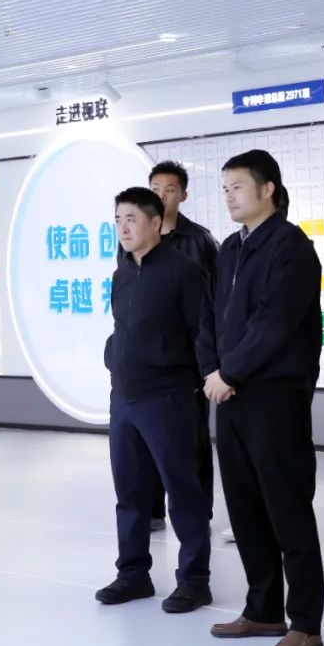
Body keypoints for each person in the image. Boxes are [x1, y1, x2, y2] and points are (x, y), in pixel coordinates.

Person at [196, 150, 324, 646]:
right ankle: (264, 609)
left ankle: (307, 622)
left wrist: (230, 372)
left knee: (287, 508)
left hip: (274, 395)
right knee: (245, 507)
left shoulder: (292, 247)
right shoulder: (230, 249)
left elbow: (275, 323)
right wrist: (213, 370)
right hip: (228, 395)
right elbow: (209, 318)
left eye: (237, 187)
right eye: (225, 188)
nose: (229, 196)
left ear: (268, 189)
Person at [97, 187, 213, 613]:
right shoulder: (122, 272)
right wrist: (113, 359)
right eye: (118, 220)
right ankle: (133, 575)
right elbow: (121, 327)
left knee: (182, 490)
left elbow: (203, 332)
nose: (123, 228)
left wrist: (195, 381)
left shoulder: (184, 271)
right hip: (124, 397)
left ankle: (194, 581)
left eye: (131, 219)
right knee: (130, 492)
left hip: (168, 397)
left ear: (155, 222)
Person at [143, 160, 219, 533]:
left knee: (193, 437)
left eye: (169, 189)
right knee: (148, 435)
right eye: (155, 188)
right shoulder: (139, 238)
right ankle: (152, 511)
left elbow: (216, 299)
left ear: (183, 195)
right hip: (149, 359)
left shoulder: (200, 240)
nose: (161, 195)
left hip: (190, 357)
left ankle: (198, 512)